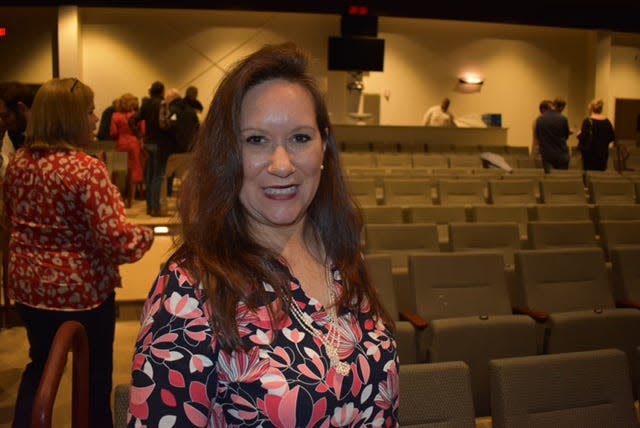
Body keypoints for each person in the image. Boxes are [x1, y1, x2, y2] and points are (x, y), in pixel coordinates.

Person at [127, 42, 399, 427]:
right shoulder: (187, 292)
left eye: (300, 138)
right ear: (228, 153)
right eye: (256, 140)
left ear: (324, 147)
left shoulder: (343, 253)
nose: (282, 165)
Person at [4, 77, 154, 428]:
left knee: (40, 365)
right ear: (70, 118)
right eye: (89, 111)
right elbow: (117, 241)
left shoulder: (20, 163)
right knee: (95, 376)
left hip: (29, 289)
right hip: (82, 294)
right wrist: (146, 235)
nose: (93, 118)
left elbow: (11, 220)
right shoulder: (86, 169)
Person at [129, 81, 171, 216]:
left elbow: (132, 120)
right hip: (160, 143)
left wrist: (139, 135)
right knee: (158, 175)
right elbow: (165, 124)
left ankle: (149, 207)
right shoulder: (162, 103)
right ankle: (156, 208)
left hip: (148, 142)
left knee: (150, 175)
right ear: (162, 91)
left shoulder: (146, 103)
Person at [160, 87, 199, 198]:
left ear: (171, 98)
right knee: (187, 178)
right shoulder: (191, 111)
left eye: (166, 98)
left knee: (163, 176)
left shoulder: (171, 110)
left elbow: (168, 128)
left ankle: (163, 202)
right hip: (190, 151)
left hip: (174, 151)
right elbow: (198, 128)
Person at [110, 93, 145, 207]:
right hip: (134, 144)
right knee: (134, 169)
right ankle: (132, 198)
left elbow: (113, 133)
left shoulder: (115, 116)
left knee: (119, 170)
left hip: (121, 143)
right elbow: (143, 131)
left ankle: (119, 197)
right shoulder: (137, 115)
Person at [577, 98, 616, 171]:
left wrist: (578, 134)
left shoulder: (588, 121)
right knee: (600, 176)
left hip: (589, 154)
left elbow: (583, 137)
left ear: (591, 109)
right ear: (601, 109)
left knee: (588, 174)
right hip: (603, 154)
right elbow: (612, 137)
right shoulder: (607, 122)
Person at [535, 97, 571, 173]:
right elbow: (566, 136)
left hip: (547, 155)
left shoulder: (540, 119)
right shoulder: (563, 118)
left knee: (550, 180)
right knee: (562, 179)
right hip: (561, 154)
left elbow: (538, 137)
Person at [531, 99, 553, 167]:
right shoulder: (539, 121)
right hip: (539, 153)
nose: (552, 111)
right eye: (550, 109)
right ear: (543, 109)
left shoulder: (543, 120)